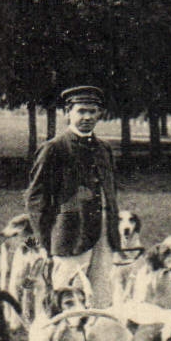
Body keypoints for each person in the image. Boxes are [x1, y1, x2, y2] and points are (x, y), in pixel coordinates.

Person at [25, 85, 122, 309]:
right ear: (67, 113)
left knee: (101, 297)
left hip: (105, 234)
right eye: (81, 111)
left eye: (92, 111)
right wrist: (43, 241)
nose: (87, 117)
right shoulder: (54, 148)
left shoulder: (104, 149)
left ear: (99, 114)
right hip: (70, 235)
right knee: (64, 297)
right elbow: (36, 199)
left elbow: (110, 191)